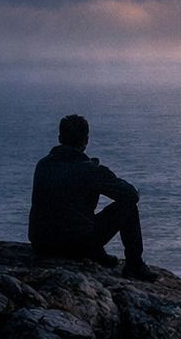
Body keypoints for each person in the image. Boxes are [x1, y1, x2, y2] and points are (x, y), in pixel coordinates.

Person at [28, 115, 157, 281]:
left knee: (73, 211)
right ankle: (134, 265)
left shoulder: (43, 164)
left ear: (60, 138)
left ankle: (98, 253)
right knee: (128, 207)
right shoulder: (90, 170)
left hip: (41, 244)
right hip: (75, 246)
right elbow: (130, 195)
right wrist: (102, 173)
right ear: (86, 140)